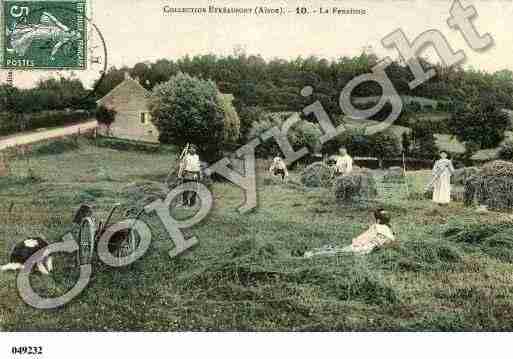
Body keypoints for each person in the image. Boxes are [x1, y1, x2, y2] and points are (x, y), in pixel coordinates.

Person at [297, 208, 395, 258]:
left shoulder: (377, 227)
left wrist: (355, 243)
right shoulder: (389, 231)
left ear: (378, 220)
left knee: (336, 251)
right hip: (364, 248)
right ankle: (310, 252)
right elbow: (386, 243)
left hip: (361, 249)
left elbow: (364, 240)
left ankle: (309, 254)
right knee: (335, 249)